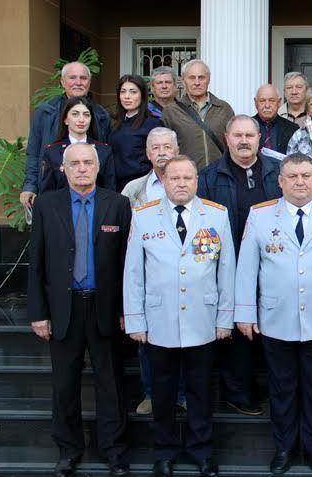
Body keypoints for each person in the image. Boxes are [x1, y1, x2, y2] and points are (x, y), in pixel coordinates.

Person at [234, 153, 312, 475]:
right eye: (292, 176)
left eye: (306, 175)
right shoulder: (260, 216)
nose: (300, 182)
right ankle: (284, 448)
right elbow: (247, 269)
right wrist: (245, 313)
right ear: (280, 181)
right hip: (276, 319)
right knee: (282, 389)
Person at [124, 155, 236, 477]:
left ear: (197, 181)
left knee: (201, 390)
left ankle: (202, 451)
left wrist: (224, 319)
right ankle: (165, 451)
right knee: (162, 392)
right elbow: (133, 273)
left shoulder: (216, 215)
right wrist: (135, 320)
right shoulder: (144, 217)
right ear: (165, 180)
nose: (182, 183)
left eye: (188, 178)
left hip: (203, 320)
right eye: (175, 178)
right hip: (159, 321)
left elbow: (226, 270)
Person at [27, 142, 130, 477]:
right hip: (63, 309)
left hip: (105, 308)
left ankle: (114, 451)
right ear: (64, 169)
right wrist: (38, 313)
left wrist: (128, 310)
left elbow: (128, 265)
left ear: (98, 167)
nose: (82, 168)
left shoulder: (118, 204)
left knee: (110, 384)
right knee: (64, 385)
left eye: (88, 162)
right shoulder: (46, 205)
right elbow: (37, 264)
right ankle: (69, 451)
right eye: (75, 163)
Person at [197, 115, 283, 416]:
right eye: (238, 135)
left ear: (260, 139)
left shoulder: (277, 173)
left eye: (250, 135)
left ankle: (269, 388)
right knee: (237, 332)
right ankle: (237, 392)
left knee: (271, 328)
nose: (244, 141)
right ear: (227, 137)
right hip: (228, 265)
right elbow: (202, 226)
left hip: (274, 264)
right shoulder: (209, 177)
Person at [120, 127, 185, 415]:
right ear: (148, 154)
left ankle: (183, 394)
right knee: (149, 341)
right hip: (149, 277)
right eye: (155, 148)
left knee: (187, 339)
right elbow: (124, 236)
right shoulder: (133, 190)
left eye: (166, 147)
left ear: (176, 150)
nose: (161, 152)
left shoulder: (191, 183)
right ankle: (151, 394)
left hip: (186, 275)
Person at [21, 61, 111, 209]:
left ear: (89, 82)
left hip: (92, 193)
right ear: (63, 82)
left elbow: (106, 158)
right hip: (54, 188)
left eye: (83, 78)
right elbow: (34, 152)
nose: (78, 82)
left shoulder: (100, 114)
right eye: (72, 77)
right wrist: (30, 186)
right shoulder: (45, 111)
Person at [162, 59, 234, 169]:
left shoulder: (224, 109)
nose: (197, 82)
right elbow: (166, 149)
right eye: (191, 78)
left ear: (208, 79)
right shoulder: (171, 111)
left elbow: (234, 143)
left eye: (201, 77)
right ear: (183, 80)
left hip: (220, 175)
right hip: (185, 177)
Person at [39, 97, 115, 194]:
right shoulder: (52, 152)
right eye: (75, 114)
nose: (81, 119)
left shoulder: (104, 151)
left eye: (86, 115)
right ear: (65, 119)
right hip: (61, 207)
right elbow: (47, 193)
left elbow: (110, 190)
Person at [108, 75, 164, 190]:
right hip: (116, 185)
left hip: (141, 186)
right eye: (123, 92)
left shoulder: (153, 123)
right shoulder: (115, 123)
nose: (127, 96)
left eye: (133, 92)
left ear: (142, 95)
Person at [253, 84, 298, 154]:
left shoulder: (293, 129)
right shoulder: (246, 127)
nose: (267, 105)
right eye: (262, 101)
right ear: (256, 103)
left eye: (271, 100)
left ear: (279, 102)